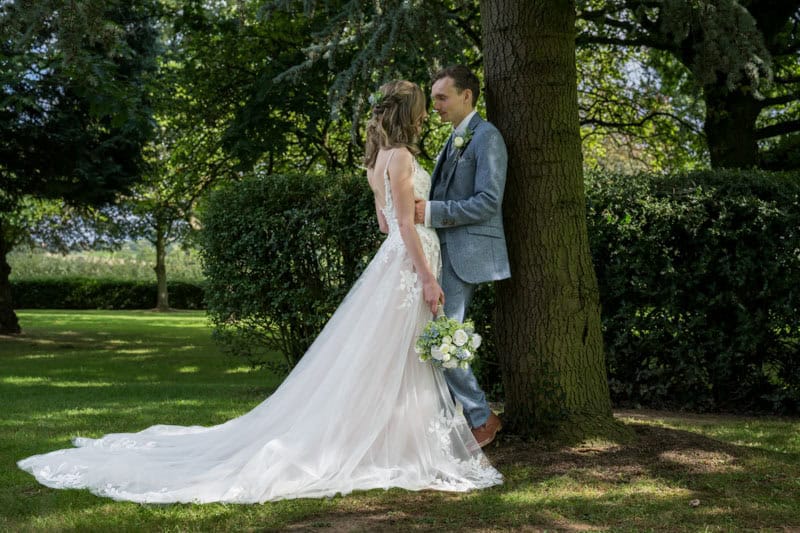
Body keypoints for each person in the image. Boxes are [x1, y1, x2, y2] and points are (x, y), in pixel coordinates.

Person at [17, 80, 502, 504]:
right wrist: (428, 276)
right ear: (409, 114)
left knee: (389, 357)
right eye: (423, 104)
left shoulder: (377, 160)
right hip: (411, 264)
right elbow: (402, 223)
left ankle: (396, 436)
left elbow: (382, 224)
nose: (427, 112)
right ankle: (399, 441)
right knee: (399, 356)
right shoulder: (400, 157)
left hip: (395, 261)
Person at [414, 65, 510, 447]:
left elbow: (489, 201)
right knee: (440, 335)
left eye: (441, 97)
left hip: (466, 253)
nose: (434, 104)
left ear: (466, 95)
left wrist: (433, 212)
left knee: (441, 336)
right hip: (445, 251)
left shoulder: (487, 138)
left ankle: (481, 417)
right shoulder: (454, 138)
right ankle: (455, 417)